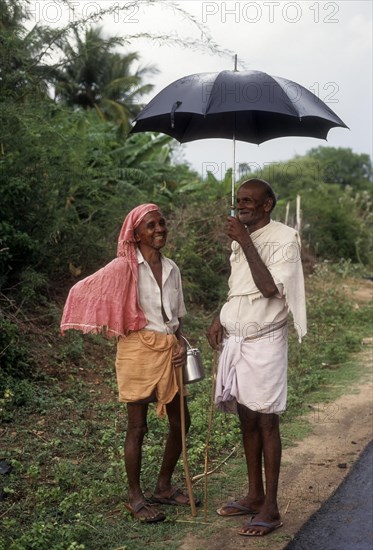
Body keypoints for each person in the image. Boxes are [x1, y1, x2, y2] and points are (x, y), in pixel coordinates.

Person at [61, 203, 196, 523]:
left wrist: (180, 343)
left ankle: (163, 487)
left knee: (182, 421)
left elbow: (176, 318)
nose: (159, 229)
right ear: (135, 234)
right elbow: (83, 290)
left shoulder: (173, 269)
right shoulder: (123, 267)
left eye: (162, 223)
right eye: (151, 225)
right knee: (138, 427)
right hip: (136, 350)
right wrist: (104, 318)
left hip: (168, 350)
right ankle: (135, 498)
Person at [207, 179, 307, 537]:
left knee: (266, 422)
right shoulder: (241, 242)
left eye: (249, 201)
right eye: (238, 201)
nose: (241, 206)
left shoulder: (284, 239)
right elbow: (239, 289)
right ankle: (253, 495)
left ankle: (272, 508)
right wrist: (220, 316)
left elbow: (267, 288)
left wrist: (245, 241)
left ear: (268, 205)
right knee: (247, 418)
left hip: (265, 343)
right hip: (239, 341)